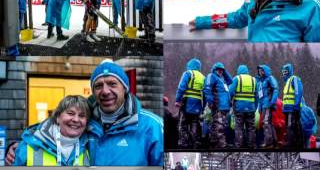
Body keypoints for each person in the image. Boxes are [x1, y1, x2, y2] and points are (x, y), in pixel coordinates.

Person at [6, 61, 164, 166]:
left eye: (112, 84)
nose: (105, 91)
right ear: (93, 91)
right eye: (99, 86)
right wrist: (19, 145)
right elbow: (52, 128)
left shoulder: (152, 127)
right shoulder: (86, 121)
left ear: (125, 88)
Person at [189, 0, 320, 42]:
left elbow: (313, 52)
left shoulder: (311, 6)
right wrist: (203, 22)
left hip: (288, 73)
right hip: (257, 66)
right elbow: (237, 19)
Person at [12, 95, 91, 166]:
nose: (76, 119)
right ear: (57, 117)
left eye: (82, 115)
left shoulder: (90, 146)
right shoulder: (29, 146)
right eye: (70, 113)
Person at [175, 58, 205, 149]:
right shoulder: (203, 77)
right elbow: (205, 93)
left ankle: (184, 144)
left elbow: (181, 87)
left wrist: (177, 100)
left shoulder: (188, 73)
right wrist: (203, 107)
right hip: (198, 105)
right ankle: (195, 143)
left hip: (187, 103)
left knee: (182, 125)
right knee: (195, 124)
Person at [203, 62, 233, 148]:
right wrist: (211, 102)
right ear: (214, 70)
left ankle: (213, 141)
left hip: (224, 106)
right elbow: (207, 89)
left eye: (222, 70)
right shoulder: (211, 76)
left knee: (217, 124)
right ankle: (221, 144)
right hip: (218, 105)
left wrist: (225, 71)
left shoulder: (222, 79)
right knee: (219, 125)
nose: (220, 71)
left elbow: (230, 81)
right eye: (218, 69)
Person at [229, 65, 258, 148]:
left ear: (239, 71)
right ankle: (251, 144)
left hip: (239, 108)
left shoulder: (237, 78)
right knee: (251, 127)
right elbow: (256, 96)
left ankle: (238, 144)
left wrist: (230, 102)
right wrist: (255, 107)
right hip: (251, 108)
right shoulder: (253, 80)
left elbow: (230, 92)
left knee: (239, 127)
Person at [256, 65, 279, 148]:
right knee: (269, 123)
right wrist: (259, 107)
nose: (260, 72)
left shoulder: (270, 78)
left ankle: (269, 143)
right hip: (263, 105)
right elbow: (260, 96)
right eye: (259, 71)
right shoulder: (261, 82)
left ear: (265, 71)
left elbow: (276, 89)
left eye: (261, 70)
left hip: (268, 104)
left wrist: (272, 102)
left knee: (266, 123)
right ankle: (274, 142)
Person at [281, 63, 304, 148]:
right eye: (283, 72)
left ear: (289, 71)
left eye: (286, 71)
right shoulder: (287, 82)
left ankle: (291, 144)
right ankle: (294, 143)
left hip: (292, 109)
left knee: (291, 126)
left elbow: (298, 92)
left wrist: (296, 105)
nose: (284, 73)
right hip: (287, 109)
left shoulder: (294, 79)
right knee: (292, 126)